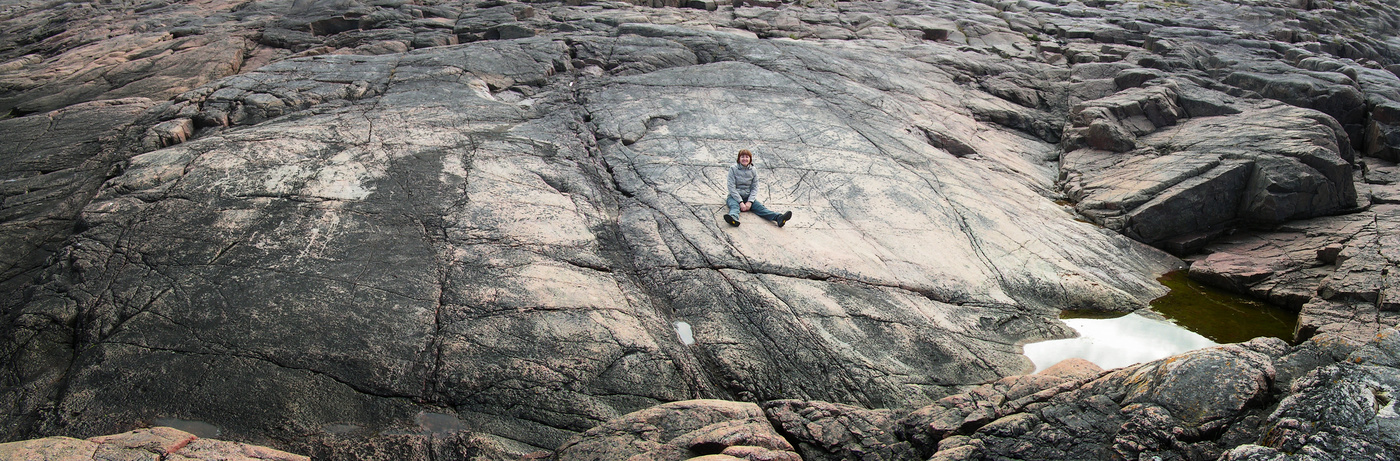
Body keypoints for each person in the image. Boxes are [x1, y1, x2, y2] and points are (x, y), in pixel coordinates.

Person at [724, 149, 792, 227]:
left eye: (747, 157)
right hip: (734, 197)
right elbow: (731, 187)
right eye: (742, 157)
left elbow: (755, 187)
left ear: (750, 159)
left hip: (748, 196)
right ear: (739, 158)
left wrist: (750, 201)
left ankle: (779, 218)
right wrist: (740, 202)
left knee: (761, 209)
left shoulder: (753, 170)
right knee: (734, 207)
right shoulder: (733, 169)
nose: (744, 159)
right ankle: (733, 219)